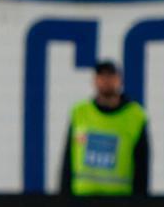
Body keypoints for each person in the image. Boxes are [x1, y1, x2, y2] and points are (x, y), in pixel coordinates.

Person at [60, 60, 149, 196]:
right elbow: (68, 159)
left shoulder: (135, 116)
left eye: (111, 76)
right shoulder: (80, 112)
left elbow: (142, 164)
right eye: (102, 76)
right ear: (94, 80)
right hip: (82, 197)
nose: (106, 81)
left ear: (120, 80)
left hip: (120, 200)